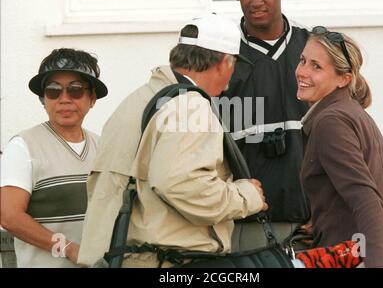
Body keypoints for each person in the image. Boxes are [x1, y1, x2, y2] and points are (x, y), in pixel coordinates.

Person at [77, 14, 268, 268]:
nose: (232, 77)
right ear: (224, 62)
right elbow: (181, 183)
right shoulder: (190, 105)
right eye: (234, 66)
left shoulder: (138, 100)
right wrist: (247, 196)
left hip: (121, 256)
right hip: (168, 261)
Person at [295, 26, 383, 268]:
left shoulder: (331, 121)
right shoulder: (348, 112)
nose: (302, 71)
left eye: (316, 66)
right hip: (377, 250)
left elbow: (366, 198)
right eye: (303, 60)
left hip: (360, 257)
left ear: (344, 79)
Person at [221, 0, 310, 251]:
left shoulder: (313, 49)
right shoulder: (222, 55)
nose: (255, 1)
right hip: (246, 224)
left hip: (312, 220)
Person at [0, 48, 108, 267]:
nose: (64, 99)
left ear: (92, 98)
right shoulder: (23, 147)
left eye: (76, 90)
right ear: (43, 98)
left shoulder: (103, 148)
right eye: (53, 90)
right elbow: (9, 216)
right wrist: (67, 249)